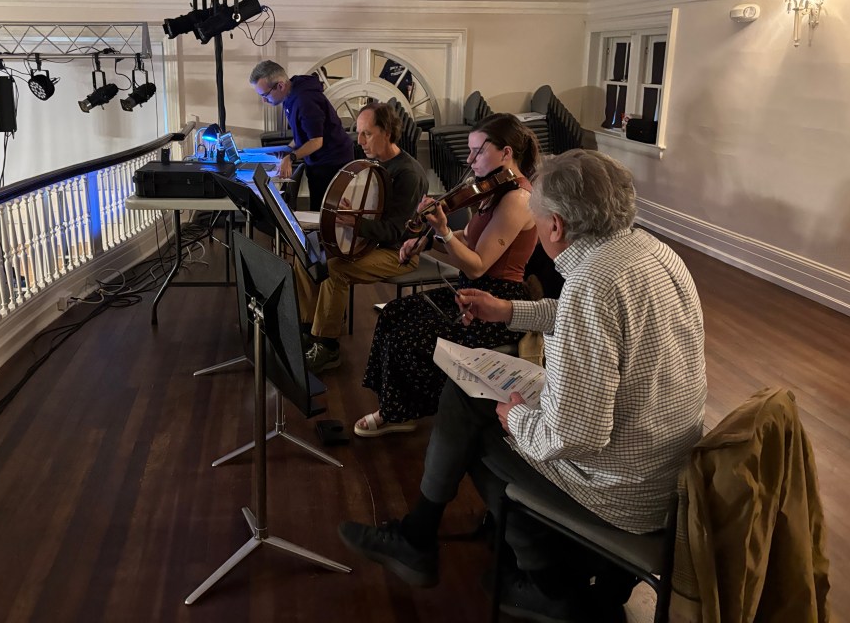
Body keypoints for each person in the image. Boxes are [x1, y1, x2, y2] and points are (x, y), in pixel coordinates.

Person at [338, 149, 707, 622]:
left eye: (537, 226)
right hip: (665, 470)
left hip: (623, 493)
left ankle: (548, 583)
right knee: (470, 403)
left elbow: (574, 436)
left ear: (556, 226)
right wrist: (509, 311)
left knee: (472, 419)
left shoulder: (592, 282)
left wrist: (517, 419)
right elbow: (579, 319)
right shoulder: (649, 251)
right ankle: (430, 540)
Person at [355, 113, 540, 438]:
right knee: (392, 314)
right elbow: (466, 244)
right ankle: (397, 407)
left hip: (497, 306)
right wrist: (427, 244)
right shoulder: (494, 191)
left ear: (507, 153)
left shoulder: (518, 199)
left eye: (478, 151)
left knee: (408, 335)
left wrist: (442, 229)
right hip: (471, 291)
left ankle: (411, 411)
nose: (469, 160)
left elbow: (478, 264)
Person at [296, 102, 428, 372]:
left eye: (367, 133)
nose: (360, 140)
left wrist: (354, 223)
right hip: (371, 243)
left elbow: (395, 232)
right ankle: (306, 330)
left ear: (388, 132)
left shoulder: (407, 174)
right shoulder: (376, 164)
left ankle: (327, 346)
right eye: (359, 133)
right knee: (307, 254)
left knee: (335, 269)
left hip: (399, 252)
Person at [249, 60, 354, 211]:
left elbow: (316, 141)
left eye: (265, 94)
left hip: (332, 161)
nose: (264, 100)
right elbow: (302, 133)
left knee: (324, 211)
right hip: (321, 158)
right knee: (318, 207)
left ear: (280, 85)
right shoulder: (290, 94)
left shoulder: (305, 101)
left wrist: (291, 157)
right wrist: (286, 149)